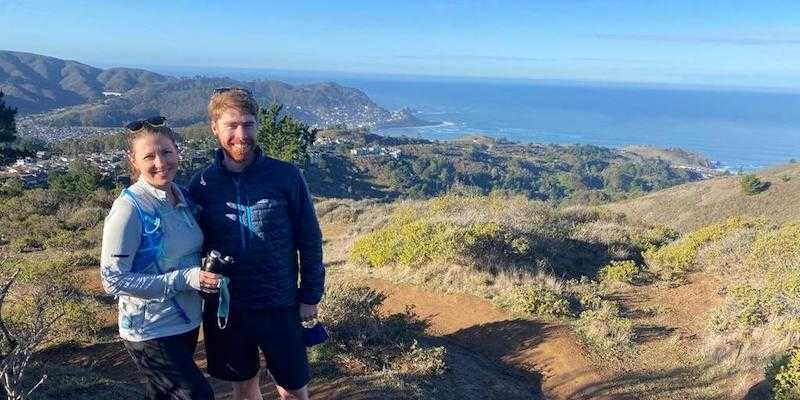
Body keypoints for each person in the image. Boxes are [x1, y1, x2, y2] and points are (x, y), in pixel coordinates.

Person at [188, 88, 324, 400]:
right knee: (245, 389)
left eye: (248, 124)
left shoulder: (286, 176)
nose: (241, 134)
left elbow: (310, 238)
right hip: (228, 308)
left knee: (293, 389)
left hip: (281, 303)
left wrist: (310, 295)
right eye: (231, 125)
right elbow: (191, 243)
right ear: (214, 128)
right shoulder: (202, 184)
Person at [100, 117, 221, 400]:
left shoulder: (182, 196)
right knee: (198, 395)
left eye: (166, 152)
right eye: (149, 156)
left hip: (187, 321)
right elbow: (112, 280)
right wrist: (185, 278)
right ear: (134, 161)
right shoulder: (129, 208)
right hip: (148, 328)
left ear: (177, 151)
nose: (160, 162)